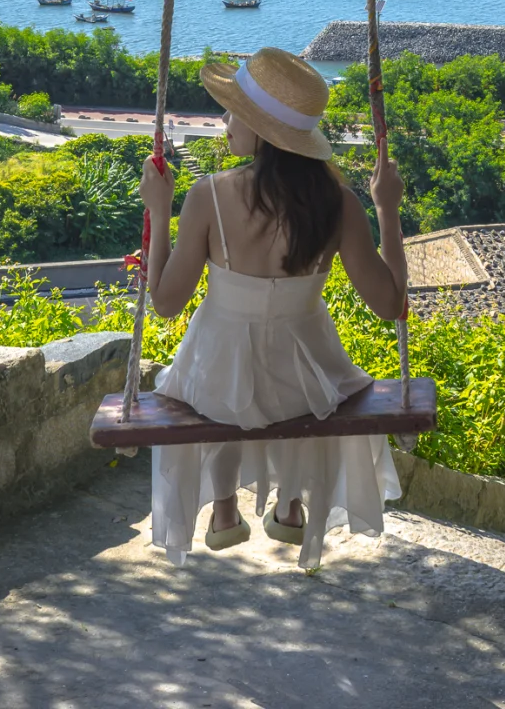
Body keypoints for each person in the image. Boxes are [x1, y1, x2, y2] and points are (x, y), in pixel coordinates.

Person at [139, 45, 408, 570]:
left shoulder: (208, 196)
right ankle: (289, 506)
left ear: (262, 130)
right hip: (304, 384)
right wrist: (388, 210)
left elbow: (166, 304)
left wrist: (159, 209)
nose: (223, 120)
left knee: (201, 383)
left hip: (217, 383)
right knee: (304, 390)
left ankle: (222, 510)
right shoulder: (339, 203)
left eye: (234, 110)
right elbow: (390, 304)